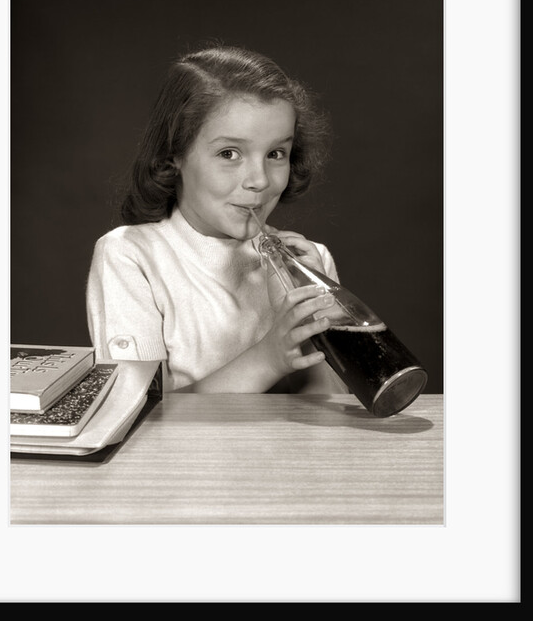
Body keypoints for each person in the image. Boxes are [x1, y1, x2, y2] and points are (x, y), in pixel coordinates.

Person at [86, 44, 344, 393]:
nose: (260, 180)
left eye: (275, 153)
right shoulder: (131, 256)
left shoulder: (311, 262)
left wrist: (312, 328)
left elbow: (331, 413)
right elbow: (141, 413)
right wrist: (268, 359)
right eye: (229, 153)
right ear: (175, 154)